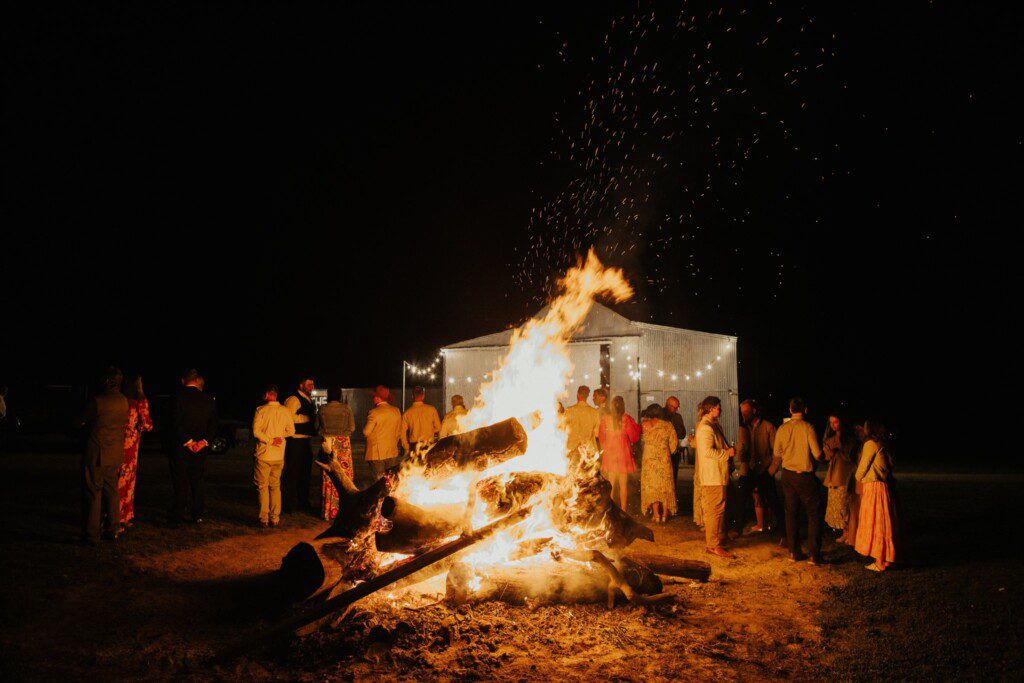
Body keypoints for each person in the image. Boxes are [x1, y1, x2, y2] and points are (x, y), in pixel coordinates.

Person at [77, 367, 130, 544]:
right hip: (115, 453)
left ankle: (91, 534)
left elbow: (80, 421)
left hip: (97, 453)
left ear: (107, 381)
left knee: (93, 492)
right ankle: (113, 529)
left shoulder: (98, 401)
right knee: (112, 492)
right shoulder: (123, 401)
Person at [770, 397, 824, 564]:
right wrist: (823, 455)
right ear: (805, 410)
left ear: (790, 409)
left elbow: (777, 454)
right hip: (804, 475)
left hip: (787, 475)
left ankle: (794, 552)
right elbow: (817, 454)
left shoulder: (782, 429)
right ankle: (814, 554)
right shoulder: (808, 427)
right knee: (813, 513)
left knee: (791, 513)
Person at [169, 369, 217, 525]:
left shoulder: (177, 398)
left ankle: (177, 516)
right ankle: (198, 514)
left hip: (181, 447)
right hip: (200, 448)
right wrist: (203, 441)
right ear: (197, 381)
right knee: (197, 480)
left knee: (181, 481)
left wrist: (188, 441)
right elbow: (213, 424)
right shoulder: (208, 399)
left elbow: (175, 423)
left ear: (183, 380)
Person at [854, 419, 898, 571]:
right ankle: (886, 559)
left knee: (876, 522)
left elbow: (863, 467)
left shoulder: (870, 444)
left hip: (873, 487)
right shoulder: (881, 444)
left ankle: (879, 561)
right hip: (882, 486)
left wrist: (858, 477)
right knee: (883, 522)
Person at [695, 395, 736, 558]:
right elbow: (706, 452)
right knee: (714, 511)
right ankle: (713, 545)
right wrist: (727, 453)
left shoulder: (710, 426)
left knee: (717, 510)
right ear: (711, 408)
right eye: (718, 407)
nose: (720, 410)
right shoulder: (706, 428)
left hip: (717, 476)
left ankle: (714, 542)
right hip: (713, 477)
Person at [251, 384, 294, 528]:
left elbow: (256, 432)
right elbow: (291, 431)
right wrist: (280, 437)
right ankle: (275, 518)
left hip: (264, 454)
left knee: (262, 487)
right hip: (278, 455)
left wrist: (270, 440)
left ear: (268, 394)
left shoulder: (260, 410)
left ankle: (264, 518)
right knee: (275, 486)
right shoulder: (285, 411)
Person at [117, 375, 153, 532]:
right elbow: (147, 425)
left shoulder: (119, 401)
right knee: (127, 482)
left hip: (116, 444)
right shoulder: (139, 402)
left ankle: (113, 515)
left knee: (117, 480)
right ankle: (122, 516)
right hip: (130, 447)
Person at [742, 399, 779, 533]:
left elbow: (777, 452)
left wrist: (771, 470)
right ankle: (761, 524)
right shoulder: (746, 428)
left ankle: (778, 528)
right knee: (756, 496)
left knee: (771, 499)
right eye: (742, 412)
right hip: (752, 470)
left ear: (754, 410)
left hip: (765, 470)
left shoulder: (768, 427)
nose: (744, 415)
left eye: (746, 411)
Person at [318, 385, 355, 521]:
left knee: (329, 475)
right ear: (339, 396)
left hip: (328, 443)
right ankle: (344, 509)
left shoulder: (322, 409)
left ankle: (328, 510)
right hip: (343, 443)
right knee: (344, 476)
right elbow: (352, 428)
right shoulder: (346, 409)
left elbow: (318, 428)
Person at [597, 395, 639, 510]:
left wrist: (606, 448)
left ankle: (611, 510)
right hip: (623, 454)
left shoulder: (606, 419)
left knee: (611, 484)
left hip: (610, 454)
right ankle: (624, 509)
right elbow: (634, 437)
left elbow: (601, 436)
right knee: (623, 485)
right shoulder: (626, 419)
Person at [283, 377, 318, 513]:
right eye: (309, 384)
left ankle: (302, 502)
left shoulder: (308, 400)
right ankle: (289, 503)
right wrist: (307, 419)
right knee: (293, 472)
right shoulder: (293, 399)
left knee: (305, 473)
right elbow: (288, 417)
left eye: (312, 385)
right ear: (301, 385)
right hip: (295, 440)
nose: (311, 387)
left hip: (305, 441)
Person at [640, 403, 678, 523]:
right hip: (663, 460)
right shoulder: (668, 426)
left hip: (649, 460)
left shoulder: (644, 425)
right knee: (665, 487)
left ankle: (656, 515)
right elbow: (674, 446)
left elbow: (642, 441)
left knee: (652, 487)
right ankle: (664, 515)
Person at [823, 412, 858, 539]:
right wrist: (828, 452)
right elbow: (826, 456)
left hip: (845, 474)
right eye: (831, 422)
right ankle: (845, 531)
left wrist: (838, 451)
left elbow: (851, 456)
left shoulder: (849, 439)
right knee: (837, 505)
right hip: (834, 474)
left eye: (835, 422)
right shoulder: (830, 439)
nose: (833, 425)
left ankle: (850, 531)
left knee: (845, 504)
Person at [364, 385, 402, 478]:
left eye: (374, 396)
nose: (373, 398)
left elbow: (366, 432)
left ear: (378, 398)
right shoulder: (396, 411)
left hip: (377, 453)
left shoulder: (374, 412)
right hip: (392, 451)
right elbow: (398, 431)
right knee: (391, 480)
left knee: (378, 480)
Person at [730, 418, 753, 536]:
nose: (744, 415)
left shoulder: (743, 429)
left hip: (752, 467)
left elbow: (741, 449)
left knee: (741, 498)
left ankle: (738, 527)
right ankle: (738, 527)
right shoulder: (745, 428)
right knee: (742, 498)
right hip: (749, 468)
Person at [401, 386, 441, 454]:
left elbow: (402, 433)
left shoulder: (407, 413)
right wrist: (429, 430)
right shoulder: (431, 409)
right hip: (429, 445)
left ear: (412, 396)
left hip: (414, 446)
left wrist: (406, 446)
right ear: (423, 396)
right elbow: (438, 427)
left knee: (414, 464)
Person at [564, 385, 600, 454]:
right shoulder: (594, 412)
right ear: (587, 396)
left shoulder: (569, 410)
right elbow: (596, 433)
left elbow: (563, 430)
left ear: (578, 394)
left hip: (572, 449)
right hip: (588, 450)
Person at [664, 396, 687, 499]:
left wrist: (674, 432)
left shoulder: (678, 417)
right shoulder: (660, 415)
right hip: (662, 452)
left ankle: (671, 499)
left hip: (674, 453)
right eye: (674, 407)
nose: (676, 409)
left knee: (673, 477)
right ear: (668, 405)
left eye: (677, 407)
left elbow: (683, 433)